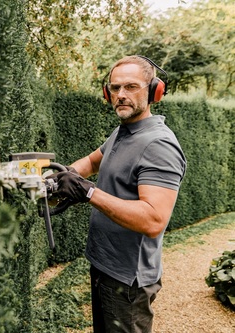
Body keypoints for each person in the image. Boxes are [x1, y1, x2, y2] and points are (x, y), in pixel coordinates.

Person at [49, 55, 187, 332]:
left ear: (154, 91)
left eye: (131, 86)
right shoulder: (123, 132)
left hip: (128, 280)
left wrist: (88, 192)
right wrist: (61, 178)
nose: (121, 95)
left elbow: (153, 220)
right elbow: (90, 162)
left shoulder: (158, 145)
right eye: (115, 88)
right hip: (104, 264)